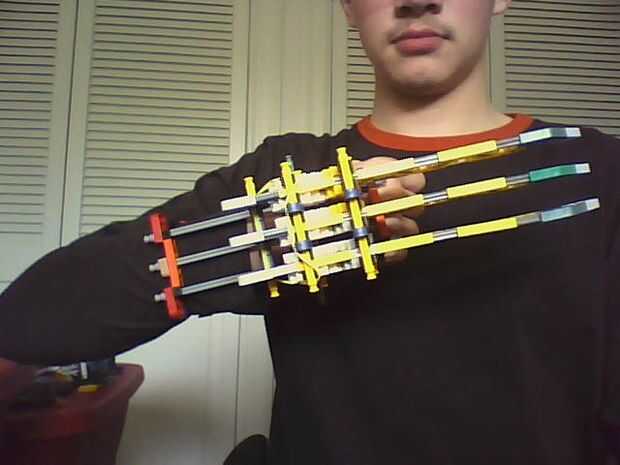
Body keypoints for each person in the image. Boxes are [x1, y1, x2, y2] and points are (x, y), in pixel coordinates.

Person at [1, 0, 619, 463]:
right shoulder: (283, 175)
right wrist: (264, 240)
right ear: (348, 5)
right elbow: (26, 320)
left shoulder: (599, 171)